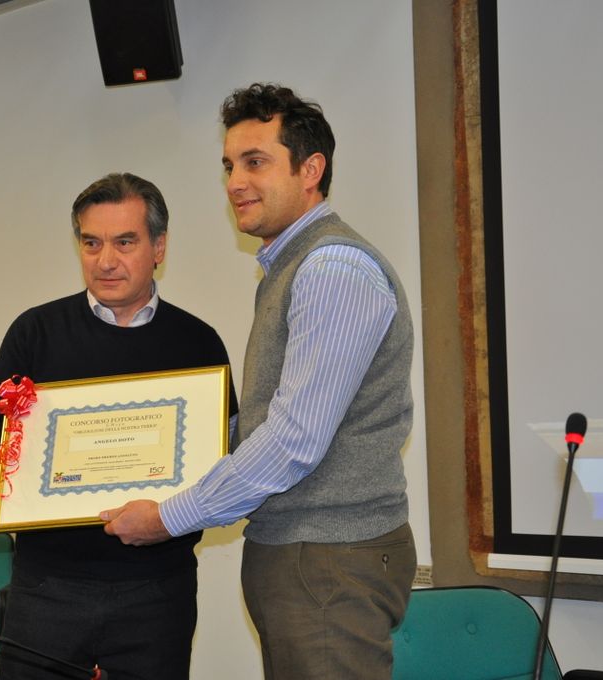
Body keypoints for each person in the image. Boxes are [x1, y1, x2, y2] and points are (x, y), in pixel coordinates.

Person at [101, 83, 418, 679]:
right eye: (229, 165)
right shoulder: (292, 267)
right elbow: (269, 423)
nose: (235, 183)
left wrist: (171, 515)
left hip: (327, 557)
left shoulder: (331, 268)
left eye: (255, 162)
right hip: (307, 555)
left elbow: (294, 439)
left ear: (310, 170)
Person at [0, 172, 238, 680]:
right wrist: (42, 430)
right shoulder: (36, 332)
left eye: (125, 242)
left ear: (159, 247)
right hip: (47, 587)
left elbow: (225, 465)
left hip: (157, 590)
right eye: (91, 243)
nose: (105, 260)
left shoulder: (197, 342)